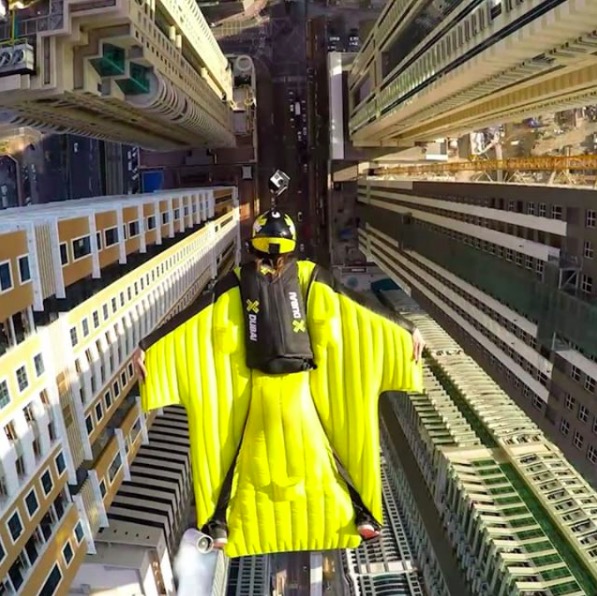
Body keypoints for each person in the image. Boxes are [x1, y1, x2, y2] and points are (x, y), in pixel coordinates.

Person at [134, 209, 424, 558]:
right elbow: (357, 305)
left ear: (253, 245)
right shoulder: (307, 275)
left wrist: (148, 345)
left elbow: (196, 313)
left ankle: (218, 523)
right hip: (298, 388)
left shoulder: (241, 280)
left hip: (261, 390)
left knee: (235, 454)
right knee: (330, 448)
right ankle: (363, 513)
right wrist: (406, 329)